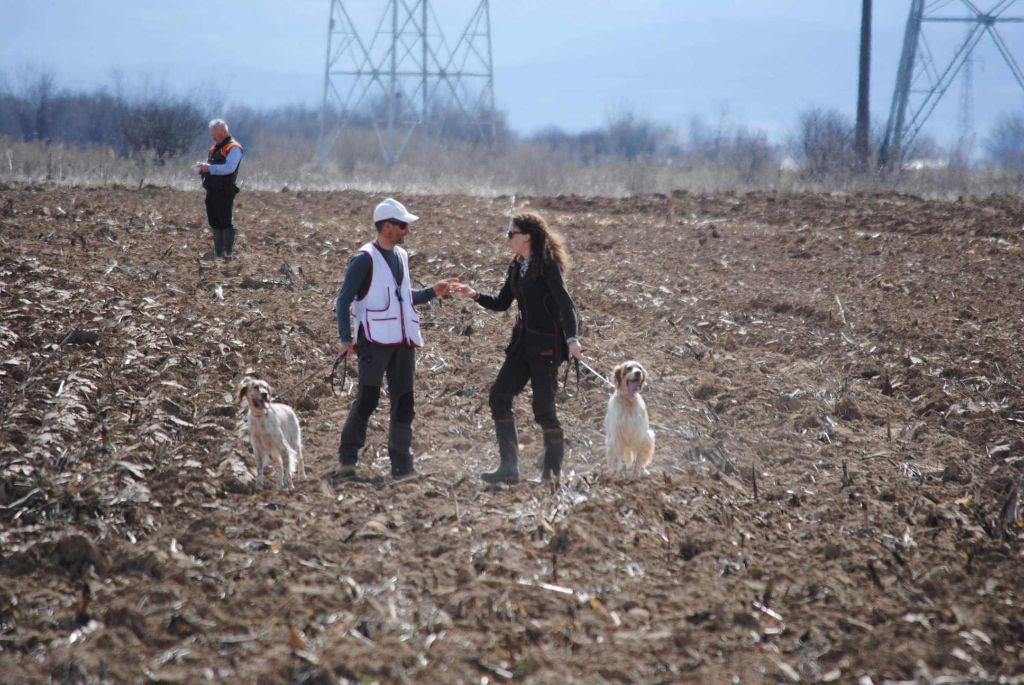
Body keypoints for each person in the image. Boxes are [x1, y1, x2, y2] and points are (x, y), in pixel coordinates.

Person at [333, 198, 458, 481]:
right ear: (387, 227)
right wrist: (345, 339)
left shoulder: (401, 255)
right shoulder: (364, 258)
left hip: (403, 341)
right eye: (402, 225)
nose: (407, 230)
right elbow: (342, 300)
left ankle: (402, 466)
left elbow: (402, 296)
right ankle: (347, 461)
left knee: (404, 403)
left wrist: (431, 292)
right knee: (367, 400)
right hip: (374, 341)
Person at [454, 212, 583, 485]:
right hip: (522, 345)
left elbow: (565, 305)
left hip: (546, 346)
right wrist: (474, 294)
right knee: (499, 396)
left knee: (543, 410)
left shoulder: (547, 265)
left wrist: (572, 339)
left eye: (510, 233)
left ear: (527, 236)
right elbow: (502, 303)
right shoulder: (517, 265)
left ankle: (551, 473)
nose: (507, 238)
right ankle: (509, 468)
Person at [196, 119, 243, 259]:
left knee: (224, 220)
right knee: (214, 220)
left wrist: (210, 168)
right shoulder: (214, 148)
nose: (213, 137)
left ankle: (227, 253)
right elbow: (210, 164)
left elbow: (230, 168)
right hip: (212, 189)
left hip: (225, 189)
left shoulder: (234, 148)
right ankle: (218, 253)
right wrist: (201, 168)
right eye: (212, 134)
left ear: (224, 132)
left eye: (215, 134)